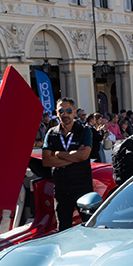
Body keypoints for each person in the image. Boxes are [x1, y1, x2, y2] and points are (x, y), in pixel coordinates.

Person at [41, 97, 94, 231]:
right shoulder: (51, 133)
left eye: (68, 110)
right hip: (61, 190)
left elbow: (84, 155)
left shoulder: (84, 131)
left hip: (82, 188)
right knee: (63, 229)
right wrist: (73, 156)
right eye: (61, 111)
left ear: (74, 112)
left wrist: (57, 154)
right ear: (57, 113)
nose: (65, 114)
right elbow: (46, 160)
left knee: (91, 227)